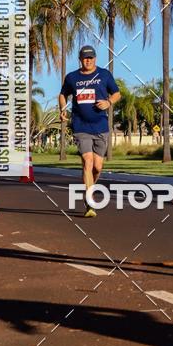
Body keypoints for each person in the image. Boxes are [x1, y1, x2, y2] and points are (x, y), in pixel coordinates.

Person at [59, 45, 121, 218]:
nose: (88, 60)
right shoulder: (72, 77)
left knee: (97, 167)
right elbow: (63, 94)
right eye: (85, 58)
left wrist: (109, 102)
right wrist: (63, 108)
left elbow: (117, 93)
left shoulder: (104, 75)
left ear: (95, 58)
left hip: (101, 127)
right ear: (80, 59)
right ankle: (90, 200)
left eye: (91, 58)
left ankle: (89, 188)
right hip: (80, 126)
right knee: (87, 162)